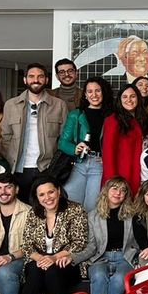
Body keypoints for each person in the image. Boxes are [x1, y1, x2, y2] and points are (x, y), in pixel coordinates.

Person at [17, 177, 89, 294]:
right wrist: (41, 259)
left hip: (66, 261)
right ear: (37, 197)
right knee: (34, 271)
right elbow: (26, 245)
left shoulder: (75, 209)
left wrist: (54, 258)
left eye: (51, 192)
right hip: (39, 261)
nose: (47, 198)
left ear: (59, 191)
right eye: (42, 195)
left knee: (53, 271)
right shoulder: (34, 213)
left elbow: (79, 242)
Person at [0, 65, 67, 199]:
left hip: (47, 168)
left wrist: (56, 166)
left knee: (45, 208)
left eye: (40, 76)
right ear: (25, 80)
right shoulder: (11, 105)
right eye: (31, 76)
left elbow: (64, 138)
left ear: (46, 80)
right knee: (21, 210)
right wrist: (9, 160)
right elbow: (5, 136)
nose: (35, 80)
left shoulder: (59, 105)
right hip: (18, 169)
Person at [74, 177, 138, 294]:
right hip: (100, 257)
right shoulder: (93, 216)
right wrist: (73, 258)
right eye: (114, 188)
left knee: (120, 279)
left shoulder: (133, 215)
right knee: (98, 276)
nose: (118, 193)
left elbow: (138, 241)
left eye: (123, 190)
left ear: (126, 195)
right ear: (106, 191)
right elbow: (91, 246)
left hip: (125, 257)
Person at [59, 78, 112, 212]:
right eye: (90, 91)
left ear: (103, 92)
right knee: (70, 206)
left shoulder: (111, 116)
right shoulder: (76, 115)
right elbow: (62, 142)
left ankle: (90, 234)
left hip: (99, 166)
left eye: (97, 91)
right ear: (85, 95)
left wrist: (107, 157)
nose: (94, 95)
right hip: (78, 164)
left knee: (92, 208)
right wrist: (74, 148)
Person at [102, 84, 146, 196]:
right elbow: (108, 152)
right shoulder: (113, 120)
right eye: (125, 97)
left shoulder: (141, 119)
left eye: (132, 96)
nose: (129, 100)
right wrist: (113, 183)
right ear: (119, 100)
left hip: (138, 173)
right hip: (121, 174)